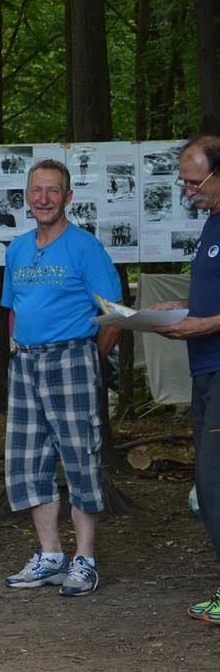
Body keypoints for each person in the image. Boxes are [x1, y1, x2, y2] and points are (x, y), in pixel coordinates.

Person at [0, 159, 121, 597]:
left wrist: (90, 358)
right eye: (36, 191)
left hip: (72, 359)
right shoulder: (17, 249)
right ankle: (50, 556)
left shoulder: (84, 247)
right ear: (27, 197)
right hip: (25, 364)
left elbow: (113, 312)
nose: (44, 199)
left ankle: (85, 559)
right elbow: (14, 309)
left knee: (79, 459)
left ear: (68, 197)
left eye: (53, 191)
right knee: (27, 461)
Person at [151, 135, 220, 623]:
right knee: (209, 481)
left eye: (194, 179)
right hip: (206, 369)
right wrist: (180, 309)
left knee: (214, 481)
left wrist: (206, 324)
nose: (186, 187)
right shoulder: (212, 222)